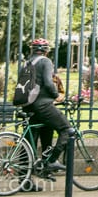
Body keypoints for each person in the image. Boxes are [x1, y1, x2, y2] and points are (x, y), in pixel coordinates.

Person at [21, 38, 73, 174]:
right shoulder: (46, 62)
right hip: (43, 105)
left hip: (29, 106)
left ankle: (25, 180)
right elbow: (49, 83)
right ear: (47, 51)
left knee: (31, 142)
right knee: (67, 130)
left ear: (32, 50)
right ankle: (52, 161)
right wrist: (57, 96)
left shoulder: (27, 63)